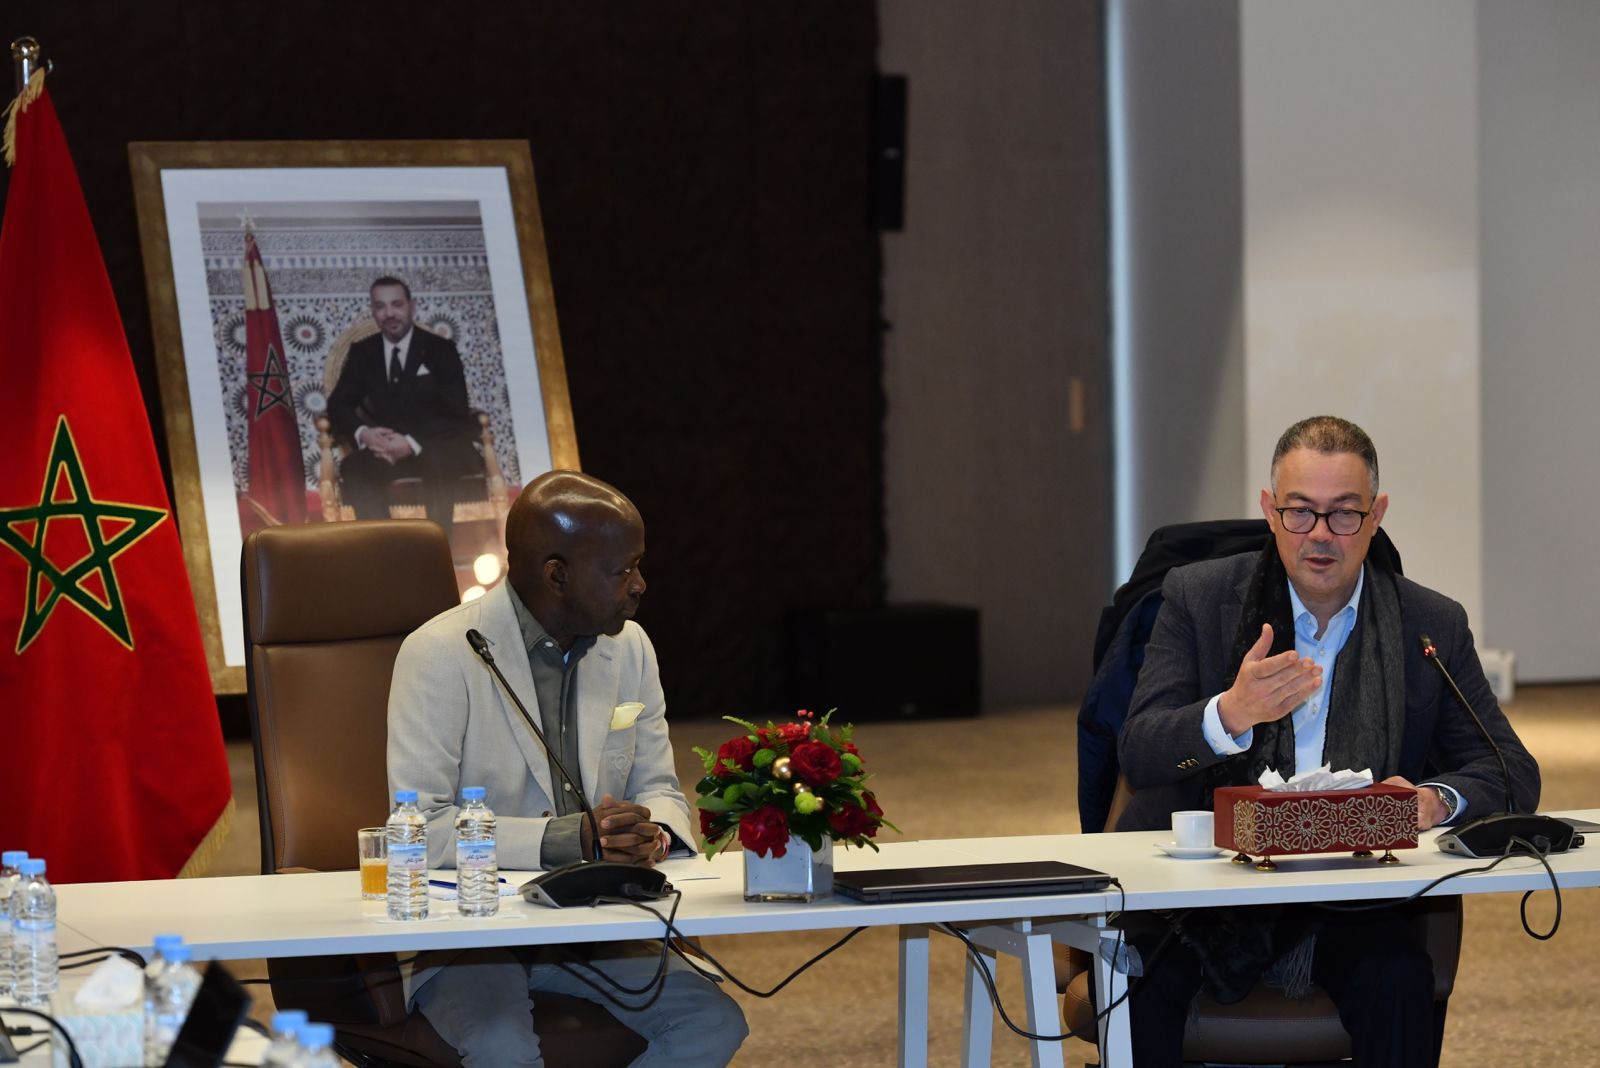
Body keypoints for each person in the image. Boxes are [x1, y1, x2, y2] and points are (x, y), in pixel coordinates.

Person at [1115, 415, 1539, 1068]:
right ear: (1269, 510)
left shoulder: (1428, 623)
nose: (1319, 534)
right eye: (1299, 512)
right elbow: (1140, 750)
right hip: (1204, 894)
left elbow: (1509, 769)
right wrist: (1230, 714)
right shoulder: (1198, 598)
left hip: (1353, 891)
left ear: (1376, 516)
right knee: (1141, 986)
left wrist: (1430, 801)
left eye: (1343, 514)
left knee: (1398, 977)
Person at [387, 470, 748, 1067]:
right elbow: (420, 829)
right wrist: (568, 840)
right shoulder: (441, 653)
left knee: (711, 1024)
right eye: (622, 570)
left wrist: (651, 833)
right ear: (556, 575)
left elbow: (659, 787)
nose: (640, 585)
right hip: (473, 936)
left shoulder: (630, 647)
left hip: (594, 923)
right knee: (504, 1050)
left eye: (639, 565)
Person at [327, 276, 482, 542]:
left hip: (437, 445)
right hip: (387, 451)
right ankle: (385, 551)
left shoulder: (440, 350)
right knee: (354, 468)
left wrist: (410, 442)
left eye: (397, 304)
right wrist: (365, 434)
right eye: (380, 306)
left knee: (437, 462)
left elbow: (456, 411)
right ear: (373, 311)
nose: (389, 313)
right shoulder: (364, 352)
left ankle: (434, 553)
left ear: (412, 306)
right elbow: (338, 404)